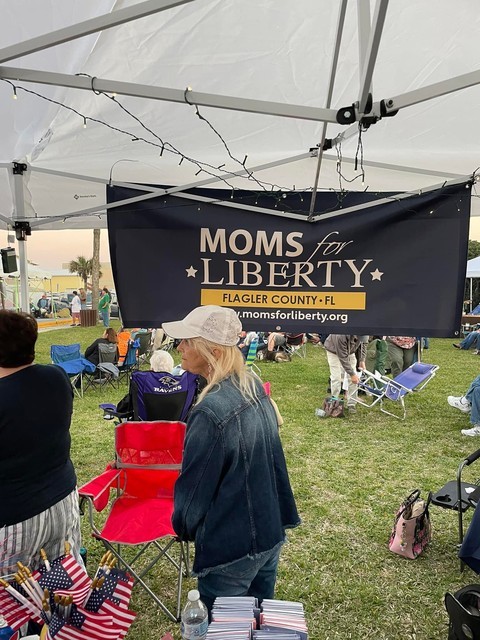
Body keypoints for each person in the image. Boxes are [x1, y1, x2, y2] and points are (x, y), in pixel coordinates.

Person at [163, 305, 300, 611]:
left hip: (231, 547)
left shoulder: (210, 411)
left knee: (225, 628)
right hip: (269, 529)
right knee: (258, 621)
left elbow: (194, 492)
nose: (180, 347)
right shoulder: (252, 385)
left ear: (211, 351)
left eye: (187, 341)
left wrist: (183, 525)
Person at [0, 310, 82, 575]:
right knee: (64, 582)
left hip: (14, 517)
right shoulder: (57, 377)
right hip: (62, 501)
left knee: (13, 595)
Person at [324, 334, 367, 413]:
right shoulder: (340, 335)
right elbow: (343, 357)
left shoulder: (364, 333)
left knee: (353, 379)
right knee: (336, 378)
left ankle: (352, 404)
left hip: (350, 352)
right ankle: (334, 402)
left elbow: (363, 344)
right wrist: (352, 374)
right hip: (333, 350)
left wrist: (362, 360)